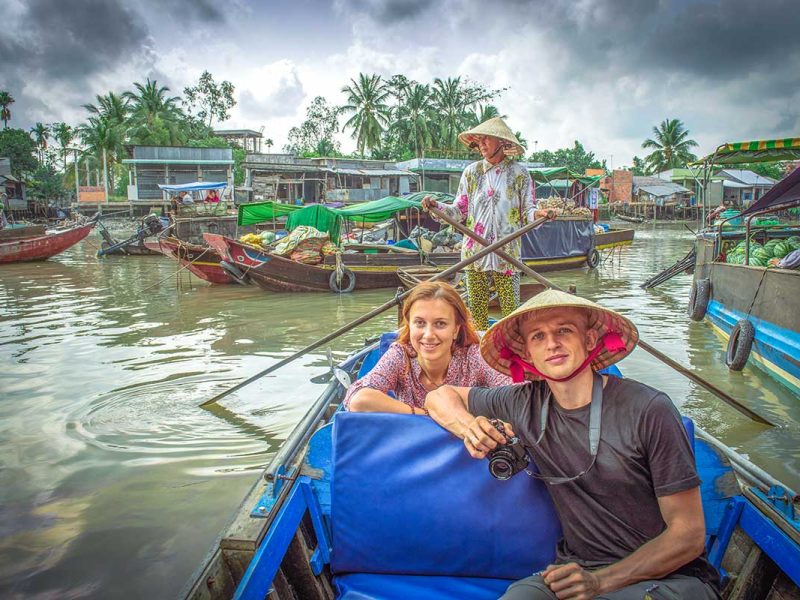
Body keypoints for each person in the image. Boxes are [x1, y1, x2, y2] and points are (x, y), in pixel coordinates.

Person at [425, 289, 720, 600]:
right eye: (538, 336)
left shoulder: (649, 409)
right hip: (577, 570)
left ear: (590, 340)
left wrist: (601, 583)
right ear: (527, 354)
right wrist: (470, 427)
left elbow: (688, 535)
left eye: (563, 330)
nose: (552, 343)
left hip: (671, 577)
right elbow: (441, 395)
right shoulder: (522, 403)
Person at [421, 117, 548, 330]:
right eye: (478, 141)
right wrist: (437, 207)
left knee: (511, 314)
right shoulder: (471, 173)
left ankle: (508, 355)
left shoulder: (520, 174)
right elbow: (458, 211)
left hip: (507, 254)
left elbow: (528, 212)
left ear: (501, 142)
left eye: (486, 140)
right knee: (476, 315)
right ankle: (477, 355)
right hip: (475, 254)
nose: (481, 145)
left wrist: (541, 214)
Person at [344, 281, 511, 414]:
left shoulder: (473, 357)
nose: (428, 334)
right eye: (420, 323)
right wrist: (425, 414)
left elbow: (514, 395)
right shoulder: (401, 356)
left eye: (440, 324)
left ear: (455, 330)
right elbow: (357, 399)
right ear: (410, 326)